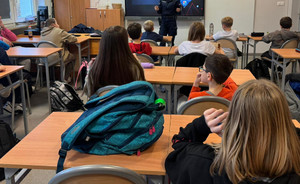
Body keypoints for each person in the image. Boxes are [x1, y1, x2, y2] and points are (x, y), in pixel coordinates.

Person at [165, 79, 300, 184]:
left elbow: (179, 143)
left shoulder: (207, 163)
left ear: (234, 119)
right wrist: (273, 126)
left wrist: (202, 125)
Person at [84, 26, 145, 97]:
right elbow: (141, 90)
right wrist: (137, 62)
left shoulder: (95, 66)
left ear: (103, 44)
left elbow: (88, 92)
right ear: (125, 44)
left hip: (102, 106)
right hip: (128, 106)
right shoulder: (134, 66)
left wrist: (89, 70)